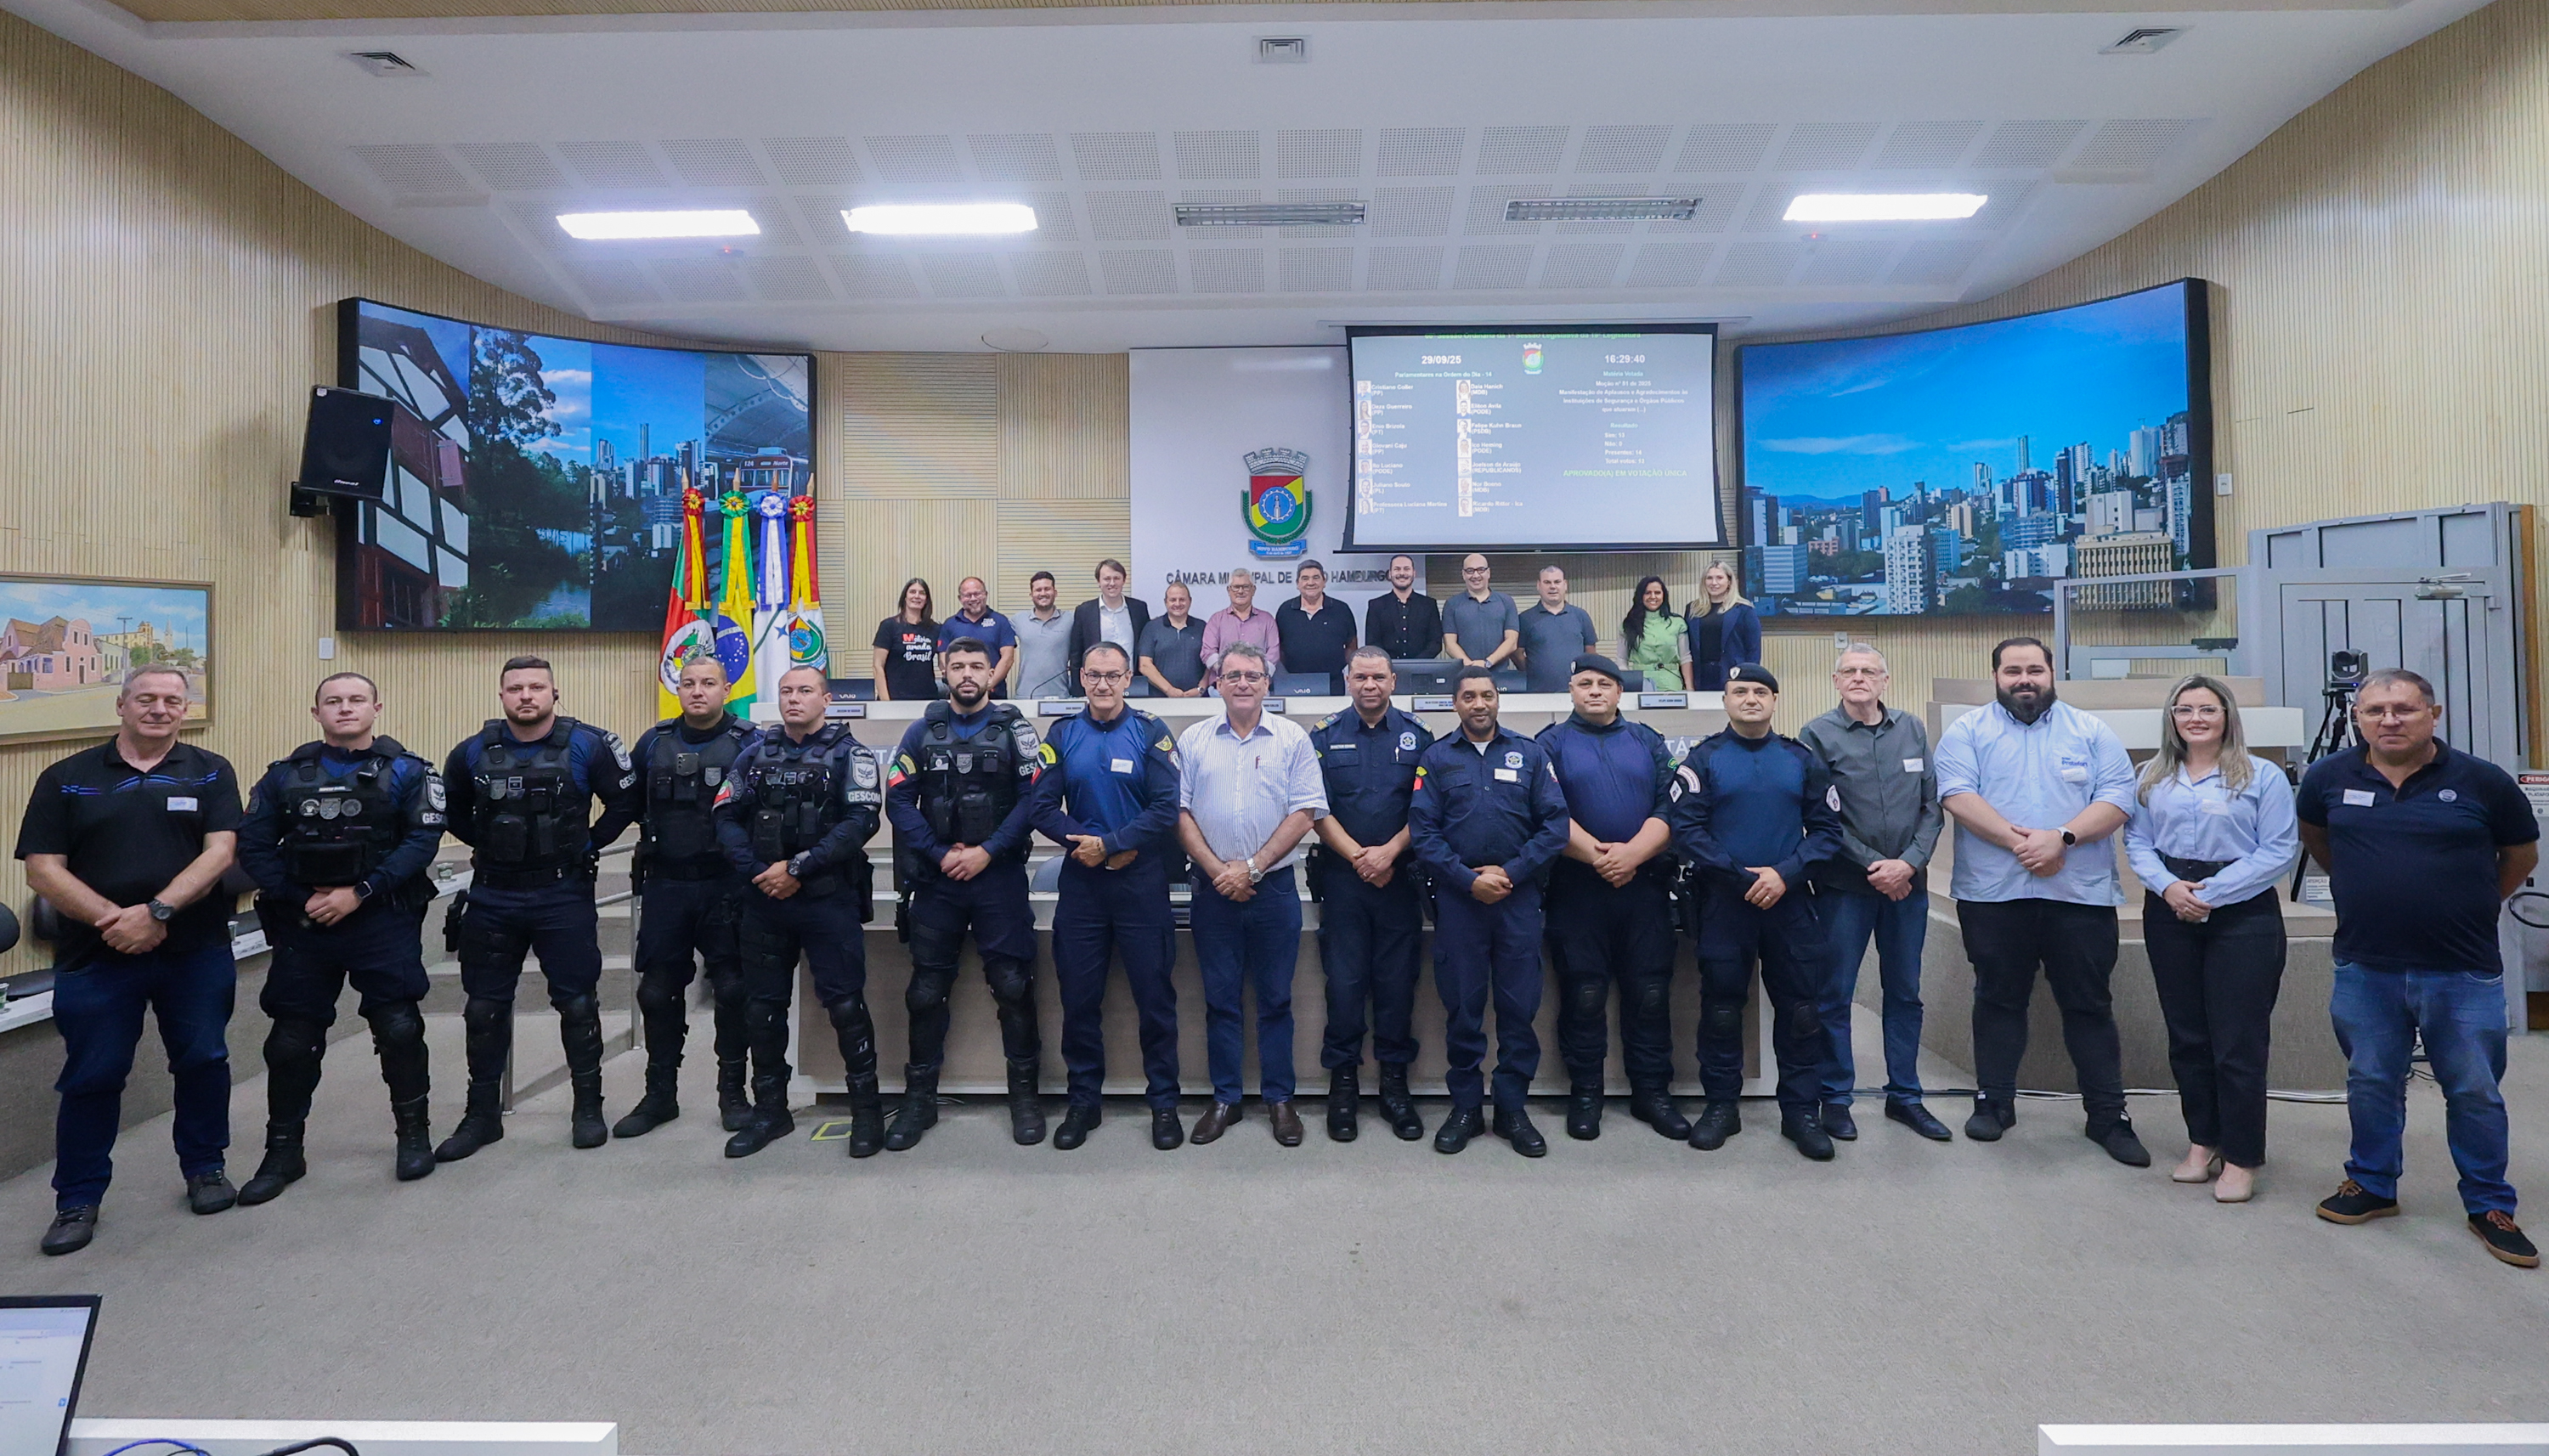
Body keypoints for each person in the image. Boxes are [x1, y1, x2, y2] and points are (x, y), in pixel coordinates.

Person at [2297, 668, 2540, 1267]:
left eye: (2404, 709)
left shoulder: (2482, 782)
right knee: (2372, 1082)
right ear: (2358, 717)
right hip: (2366, 965)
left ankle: (2488, 1203)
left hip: (2461, 970)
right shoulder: (2329, 778)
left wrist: (2475, 905)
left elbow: (2520, 855)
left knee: (2475, 1090)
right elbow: (2318, 842)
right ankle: (2373, 1184)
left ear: (2434, 714)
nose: (2389, 720)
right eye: (2375, 710)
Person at [20, 667, 242, 1256]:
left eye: (173, 700)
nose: (159, 709)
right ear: (121, 705)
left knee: (203, 1059)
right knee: (92, 1076)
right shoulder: (67, 778)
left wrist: (158, 912)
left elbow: (221, 851)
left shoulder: (212, 771)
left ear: (185, 709)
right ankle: (77, 1198)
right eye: (146, 698)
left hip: (195, 951)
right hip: (97, 955)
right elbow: (43, 867)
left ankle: (206, 1168)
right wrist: (114, 922)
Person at [233, 672, 446, 1205]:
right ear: (316, 713)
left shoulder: (408, 772)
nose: (345, 708)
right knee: (289, 1040)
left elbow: (421, 842)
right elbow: (254, 846)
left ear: (377, 706)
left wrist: (361, 892)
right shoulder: (283, 778)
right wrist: (299, 896)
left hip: (381, 919)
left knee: (398, 1029)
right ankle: (283, 1151)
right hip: (306, 924)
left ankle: (414, 1136)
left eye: (355, 700)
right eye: (333, 701)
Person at [1934, 636, 2147, 1165]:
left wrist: (2063, 839)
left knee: (2089, 1004)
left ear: (2052, 674)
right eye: (2012, 671)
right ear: (1997, 677)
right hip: (1994, 894)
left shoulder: (2091, 731)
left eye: (2034, 669)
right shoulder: (1968, 731)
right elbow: (1957, 794)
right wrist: (2024, 843)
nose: (2024, 679)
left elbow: (2119, 797)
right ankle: (1994, 1102)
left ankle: (2107, 1116)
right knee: (1998, 997)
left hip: (2078, 895)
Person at [434, 657, 640, 1161]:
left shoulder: (589, 744)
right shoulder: (471, 752)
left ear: (554, 692)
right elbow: (450, 809)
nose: (526, 696)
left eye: (536, 687)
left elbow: (625, 803)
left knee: (577, 1003)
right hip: (493, 893)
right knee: (483, 1008)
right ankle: (481, 1115)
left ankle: (588, 1108)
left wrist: (589, 844)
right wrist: (490, 844)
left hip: (562, 893)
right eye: (515, 688)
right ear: (501, 695)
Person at [2122, 674, 2299, 1205]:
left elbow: (2279, 850)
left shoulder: (2261, 776)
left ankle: (2242, 1156)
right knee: (2189, 1036)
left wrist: (2211, 894)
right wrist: (2170, 888)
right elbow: (2137, 841)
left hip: (2242, 912)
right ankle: (2203, 1141)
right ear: (2171, 719)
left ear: (2227, 717)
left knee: (2238, 1042)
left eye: (2207, 709)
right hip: (2169, 905)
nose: (2195, 718)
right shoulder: (2150, 775)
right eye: (2184, 710)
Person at [1669, 664, 1845, 1160]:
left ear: (1774, 700)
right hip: (1725, 903)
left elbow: (1829, 831)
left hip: (1789, 903)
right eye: (1739, 691)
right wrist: (1743, 877)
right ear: (1724, 701)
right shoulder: (1702, 760)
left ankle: (1801, 1113)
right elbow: (1688, 830)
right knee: (1722, 1010)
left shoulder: (1801, 759)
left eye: (1760, 692)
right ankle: (1722, 1107)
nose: (1750, 699)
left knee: (1801, 1011)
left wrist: (1784, 874)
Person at [882, 637, 1048, 1149]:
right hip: (938, 880)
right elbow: (898, 799)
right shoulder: (921, 731)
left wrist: (988, 851)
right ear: (943, 671)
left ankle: (1024, 1099)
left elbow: (1033, 799)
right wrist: (938, 854)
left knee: (1014, 987)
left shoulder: (1016, 731)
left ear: (991, 673)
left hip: (997, 878)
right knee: (925, 993)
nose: (968, 673)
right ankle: (919, 1102)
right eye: (958, 666)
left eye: (977, 665)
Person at [713, 665, 885, 1159]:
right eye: (786, 691)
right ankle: (770, 1112)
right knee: (763, 1009)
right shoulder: (752, 756)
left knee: (846, 1006)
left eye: (804, 691)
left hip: (827, 900)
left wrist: (798, 867)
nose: (794, 699)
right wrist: (758, 871)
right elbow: (725, 816)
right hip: (764, 900)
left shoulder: (852, 755)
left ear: (826, 699)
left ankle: (867, 1113)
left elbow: (861, 822)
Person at [1030, 642, 1186, 1151]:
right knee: (1079, 1000)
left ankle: (1164, 1103)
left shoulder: (1151, 732)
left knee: (1155, 999)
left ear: (1127, 680)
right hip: (1083, 885)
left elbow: (1167, 808)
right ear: (1080, 678)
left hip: (1141, 882)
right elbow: (1041, 807)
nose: (1102, 684)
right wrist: (1089, 848)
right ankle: (1083, 1104)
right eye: (1093, 675)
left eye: (1112, 676)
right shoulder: (1061, 735)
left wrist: (1115, 846)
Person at [1409, 667, 1568, 1156]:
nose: (1480, 704)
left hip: (1518, 901)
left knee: (1519, 1007)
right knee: (1463, 1007)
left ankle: (1512, 1109)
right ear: (1455, 705)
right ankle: (1465, 1108)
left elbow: (1556, 826)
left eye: (1488, 695)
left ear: (1499, 701)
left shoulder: (1532, 754)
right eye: (1469, 697)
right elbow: (1422, 831)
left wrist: (1511, 873)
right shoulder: (1435, 759)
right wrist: (1468, 879)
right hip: (1459, 902)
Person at [1797, 644, 1951, 1143]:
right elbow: (1822, 817)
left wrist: (1907, 863)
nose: (1859, 678)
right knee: (1835, 993)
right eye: (1850, 671)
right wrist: (1874, 865)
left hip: (1908, 886)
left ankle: (1905, 1096)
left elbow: (1932, 806)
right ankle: (1836, 1099)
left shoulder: (1911, 729)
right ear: (1836, 680)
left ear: (1885, 680)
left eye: (1869, 671)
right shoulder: (1817, 735)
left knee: (1904, 992)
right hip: (1845, 888)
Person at [1177, 642, 1327, 1145]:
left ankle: (1280, 1099)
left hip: (1274, 891)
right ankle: (1226, 1099)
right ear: (1217, 682)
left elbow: (1306, 811)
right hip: (1212, 889)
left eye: (1253, 676)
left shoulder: (1292, 739)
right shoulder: (1194, 740)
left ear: (1268, 683)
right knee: (1220, 1000)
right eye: (1233, 675)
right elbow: (1179, 815)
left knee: (1276, 1000)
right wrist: (1221, 871)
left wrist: (1253, 869)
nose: (1243, 683)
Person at [608, 654, 757, 1141]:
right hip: (667, 884)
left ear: (726, 687)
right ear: (678, 688)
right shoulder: (653, 743)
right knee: (656, 991)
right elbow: (626, 804)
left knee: (734, 990)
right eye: (689, 683)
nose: (698, 691)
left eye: (708, 683)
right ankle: (660, 1095)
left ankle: (733, 1093)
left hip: (727, 885)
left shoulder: (750, 742)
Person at [1536, 653, 1684, 1141]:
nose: (1595, 691)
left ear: (1621, 692)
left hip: (1643, 888)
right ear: (1571, 691)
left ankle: (1652, 1094)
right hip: (1578, 889)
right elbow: (1546, 809)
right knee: (1584, 994)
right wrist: (1600, 857)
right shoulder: (1550, 743)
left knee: (1650, 994)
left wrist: (1633, 856)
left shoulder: (1647, 740)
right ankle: (1586, 1092)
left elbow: (1671, 803)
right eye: (1584, 683)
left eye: (1604, 683)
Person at [1309, 647, 1434, 1142]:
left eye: (1378, 677)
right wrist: (1362, 858)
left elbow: (1426, 809)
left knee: (1396, 986)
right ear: (1347, 680)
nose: (1369, 685)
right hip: (1343, 881)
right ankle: (1343, 1087)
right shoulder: (1322, 736)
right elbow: (1314, 808)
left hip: (1399, 880)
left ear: (1393, 680)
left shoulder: (1418, 738)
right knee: (1343, 986)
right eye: (1360, 676)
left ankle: (1394, 1087)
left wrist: (1387, 855)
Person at [1066, 559, 1150, 695]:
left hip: (1133, 684)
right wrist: (1079, 692)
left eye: (1116, 578)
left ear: (1124, 580)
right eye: (1107, 579)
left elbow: (1146, 648)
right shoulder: (1084, 611)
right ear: (1099, 582)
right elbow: (1076, 655)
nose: (1112, 583)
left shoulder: (1139, 609)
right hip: (1098, 686)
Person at [1274, 560, 1357, 693]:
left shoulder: (1341, 609)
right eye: (1305, 578)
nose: (1311, 583)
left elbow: (1351, 645)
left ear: (1324, 582)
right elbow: (1279, 647)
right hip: (1294, 682)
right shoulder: (1285, 610)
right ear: (1298, 584)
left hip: (1333, 682)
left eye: (1316, 578)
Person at [1516, 566, 1598, 694]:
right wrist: (1535, 670)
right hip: (1538, 693)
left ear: (1565, 585)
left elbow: (1590, 653)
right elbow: (1516, 653)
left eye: (1557, 582)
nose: (1553, 587)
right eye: (1547, 582)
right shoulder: (1525, 619)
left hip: (1577, 693)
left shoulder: (1581, 616)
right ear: (1539, 586)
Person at [1198, 567, 1280, 691]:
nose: (1240, 591)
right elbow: (1208, 652)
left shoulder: (1267, 620)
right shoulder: (1216, 620)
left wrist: (1256, 675)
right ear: (1229, 590)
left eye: (1246, 587)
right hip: (1222, 688)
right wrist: (1229, 671)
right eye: (1236, 587)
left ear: (1253, 590)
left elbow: (1273, 653)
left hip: (1257, 687)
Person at [935, 577, 1018, 697]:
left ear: (985, 595)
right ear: (960, 598)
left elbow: (1008, 658)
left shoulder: (1000, 621)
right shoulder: (950, 624)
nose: (973, 599)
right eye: (968, 595)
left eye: (977, 594)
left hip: (994, 695)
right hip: (959, 696)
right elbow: (943, 659)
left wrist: (987, 685)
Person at [1685, 562, 1761, 691]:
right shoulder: (1693, 609)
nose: (1714, 583)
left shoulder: (1744, 610)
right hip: (1701, 676)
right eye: (1709, 578)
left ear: (1729, 581)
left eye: (1719, 578)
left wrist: (1749, 680)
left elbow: (1753, 650)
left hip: (1733, 675)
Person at [1441, 554, 1520, 671]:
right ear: (1463, 574)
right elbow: (1450, 644)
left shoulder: (1506, 602)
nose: (1476, 575)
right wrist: (1470, 666)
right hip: (1465, 674)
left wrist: (1488, 663)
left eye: (1481, 570)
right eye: (1470, 571)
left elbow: (1512, 641)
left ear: (1488, 573)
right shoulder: (1452, 604)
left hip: (1500, 675)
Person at [873, 577, 940, 702]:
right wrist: (886, 702)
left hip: (927, 698)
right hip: (895, 698)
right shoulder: (889, 626)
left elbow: (944, 663)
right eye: (912, 592)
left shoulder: (935, 629)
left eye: (922, 593)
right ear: (905, 597)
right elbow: (878, 666)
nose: (917, 596)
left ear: (926, 600)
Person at [1364, 554, 1441, 663]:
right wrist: (1388, 664)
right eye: (1397, 569)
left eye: (1406, 569)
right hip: (1387, 671)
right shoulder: (1376, 605)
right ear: (1390, 574)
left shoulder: (1429, 605)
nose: (1402, 573)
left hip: (1421, 670)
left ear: (1414, 573)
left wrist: (1416, 664)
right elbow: (1372, 643)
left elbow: (1435, 643)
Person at [1137, 581, 1207, 698]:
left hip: (1196, 700)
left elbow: (1209, 665)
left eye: (1182, 599)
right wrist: (1169, 690)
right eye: (1173, 600)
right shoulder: (1152, 627)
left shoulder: (1202, 627)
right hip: (1159, 699)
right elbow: (1145, 665)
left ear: (1190, 601)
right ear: (1166, 602)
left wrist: (1200, 689)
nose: (1178, 603)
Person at [1013, 570, 1074, 701]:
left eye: (1047, 589)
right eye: (1038, 590)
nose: (1043, 593)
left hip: (1061, 696)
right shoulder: (1018, 620)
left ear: (1055, 593)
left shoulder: (1071, 619)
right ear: (1031, 594)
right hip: (1025, 696)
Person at [1621, 576, 1687, 691]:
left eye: (1657, 593)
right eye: (1647, 593)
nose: (1653, 597)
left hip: (1671, 682)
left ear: (1664, 596)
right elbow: (1621, 660)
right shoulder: (1628, 624)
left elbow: (1685, 658)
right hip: (1640, 682)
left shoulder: (1677, 623)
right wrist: (1626, 685)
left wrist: (1690, 688)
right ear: (1640, 596)